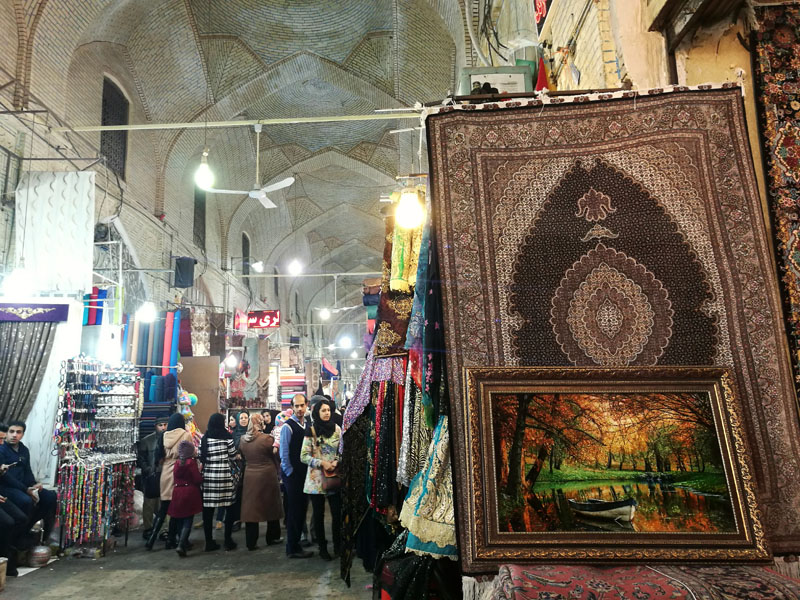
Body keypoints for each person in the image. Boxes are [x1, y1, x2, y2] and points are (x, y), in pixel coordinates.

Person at [0, 420, 58, 542]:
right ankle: (18, 537)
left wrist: (34, 484)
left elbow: (27, 471)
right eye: (11, 431)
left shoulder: (23, 449)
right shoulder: (2, 449)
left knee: (50, 497)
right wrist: (26, 489)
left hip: (23, 486)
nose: (14, 435)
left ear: (23, 434)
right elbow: (6, 477)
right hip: (8, 487)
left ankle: (33, 531)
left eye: (18, 432)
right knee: (26, 501)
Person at [300, 398, 342, 560]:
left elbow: (341, 450)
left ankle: (338, 546)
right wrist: (322, 463)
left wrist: (336, 461)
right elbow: (304, 456)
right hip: (316, 479)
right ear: (317, 412)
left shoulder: (337, 429)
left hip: (333, 477)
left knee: (337, 514)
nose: (326, 413)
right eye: (323, 410)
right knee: (318, 515)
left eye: (328, 410)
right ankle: (322, 548)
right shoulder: (311, 430)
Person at [146, 413, 192, 550]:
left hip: (165, 472)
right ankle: (175, 539)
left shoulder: (164, 436)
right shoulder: (186, 435)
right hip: (179, 472)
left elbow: (158, 456)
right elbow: (189, 455)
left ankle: (151, 540)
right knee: (179, 510)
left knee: (164, 509)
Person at [239, 413, 283, 550]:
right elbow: (277, 455)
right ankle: (273, 537)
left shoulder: (243, 440)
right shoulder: (267, 439)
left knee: (251, 510)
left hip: (250, 476)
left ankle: (251, 542)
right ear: (260, 423)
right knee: (271, 506)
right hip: (267, 475)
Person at [280, 394, 313, 558]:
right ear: (292, 407)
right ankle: (292, 548)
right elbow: (284, 453)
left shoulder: (307, 424)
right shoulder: (288, 427)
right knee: (294, 512)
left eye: (302, 405)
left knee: (301, 510)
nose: (299, 409)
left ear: (306, 405)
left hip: (305, 475)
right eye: (296, 406)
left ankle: (296, 546)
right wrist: (290, 473)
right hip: (293, 476)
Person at [199, 413, 237, 551]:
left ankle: (209, 542)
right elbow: (233, 455)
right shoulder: (227, 437)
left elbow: (201, 456)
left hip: (209, 477)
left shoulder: (205, 438)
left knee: (208, 511)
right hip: (225, 476)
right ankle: (228, 540)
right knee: (229, 508)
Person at [168, 440, 203, 557]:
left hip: (177, 492)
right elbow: (197, 479)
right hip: (189, 492)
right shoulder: (191, 463)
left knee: (179, 519)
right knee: (188, 520)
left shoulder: (177, 463)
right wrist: (201, 473)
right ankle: (181, 544)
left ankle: (184, 542)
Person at [137, 416, 168, 538]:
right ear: (155, 426)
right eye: (160, 425)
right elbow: (141, 459)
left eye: (165, 425)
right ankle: (148, 528)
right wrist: (148, 470)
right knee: (149, 503)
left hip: (165, 475)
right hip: (151, 477)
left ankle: (163, 529)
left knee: (164, 503)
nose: (163, 427)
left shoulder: (169, 440)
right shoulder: (147, 441)